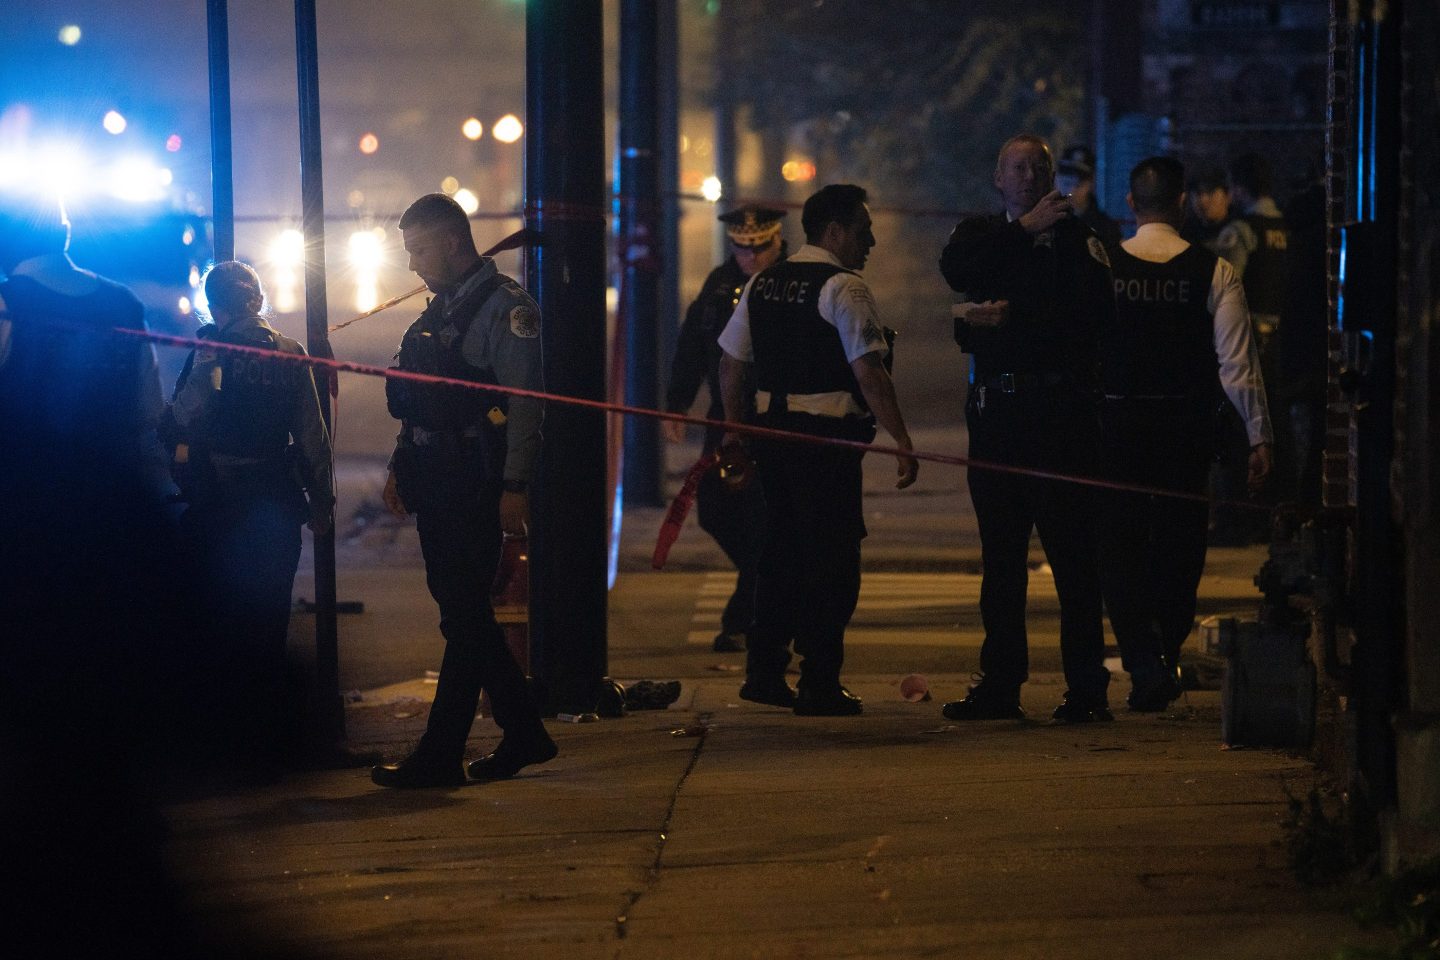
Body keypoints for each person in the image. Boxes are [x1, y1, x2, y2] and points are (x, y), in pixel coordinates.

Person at [371, 193, 555, 788]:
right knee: (463, 613)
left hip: (477, 477)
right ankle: (524, 732)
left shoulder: (506, 311)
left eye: (419, 249)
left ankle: (441, 751)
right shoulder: (437, 313)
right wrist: (402, 464)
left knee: (465, 614)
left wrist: (515, 485)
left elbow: (527, 406)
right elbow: (418, 399)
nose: (412, 264)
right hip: (437, 477)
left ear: (452, 242)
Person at [718, 183, 917, 717]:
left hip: (774, 438)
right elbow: (869, 372)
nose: (870, 240)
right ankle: (819, 680)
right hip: (825, 446)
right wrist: (901, 440)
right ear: (834, 232)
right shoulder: (844, 289)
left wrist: (735, 432)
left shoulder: (762, 282)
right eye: (862, 229)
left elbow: (732, 364)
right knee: (833, 563)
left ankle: (764, 671)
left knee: (780, 554)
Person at [938, 134, 1114, 724]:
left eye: (1040, 167)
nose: (1030, 176)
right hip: (998, 416)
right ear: (997, 176)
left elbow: (1094, 317)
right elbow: (957, 270)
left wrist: (1018, 317)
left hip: (1059, 416)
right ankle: (1000, 685)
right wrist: (1020, 234)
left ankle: (1087, 688)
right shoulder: (982, 233)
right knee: (1003, 560)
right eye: (1018, 167)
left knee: (1073, 558)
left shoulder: (1079, 239)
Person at [1099, 157, 1273, 711]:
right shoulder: (1213, 271)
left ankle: (1140, 656)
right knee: (1179, 543)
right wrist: (1258, 436)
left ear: (1131, 204)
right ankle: (1165, 648)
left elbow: (1083, 354)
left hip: (1118, 427)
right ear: (1180, 203)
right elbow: (1238, 366)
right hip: (1183, 429)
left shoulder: (1103, 269)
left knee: (1121, 543)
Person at [167, 260, 335, 760]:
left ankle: (224, 738)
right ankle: (268, 740)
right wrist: (321, 502)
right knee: (269, 619)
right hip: (275, 499)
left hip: (218, 501)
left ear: (215, 306)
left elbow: (185, 413)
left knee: (217, 617)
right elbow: (312, 436)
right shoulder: (290, 354)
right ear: (258, 300)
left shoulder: (212, 350)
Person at [663, 204, 786, 652]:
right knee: (714, 510)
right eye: (741, 249)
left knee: (761, 518)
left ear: (777, 241)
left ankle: (747, 617)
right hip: (723, 418)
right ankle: (759, 593)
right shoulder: (719, 284)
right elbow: (692, 344)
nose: (750, 258)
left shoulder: (792, 282)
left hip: (773, 418)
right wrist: (677, 404)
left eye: (760, 249)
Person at [1212, 153, 1288, 541]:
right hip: (1284, 345)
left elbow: (1227, 290)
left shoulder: (1241, 231)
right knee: (1280, 430)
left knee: (1243, 432)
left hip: (1249, 343)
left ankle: (1240, 518)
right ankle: (1274, 514)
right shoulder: (1285, 227)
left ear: (1238, 187)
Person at [1056, 145, 1122, 247]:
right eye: (1066, 183)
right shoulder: (1045, 221)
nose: (1071, 191)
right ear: (1057, 180)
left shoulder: (1105, 229)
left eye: (1078, 185)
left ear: (1091, 184)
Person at [1179, 165, 1234, 254]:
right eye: (1197, 193)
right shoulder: (1184, 232)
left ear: (1228, 196)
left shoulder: (1239, 229)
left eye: (1210, 192)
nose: (1203, 200)